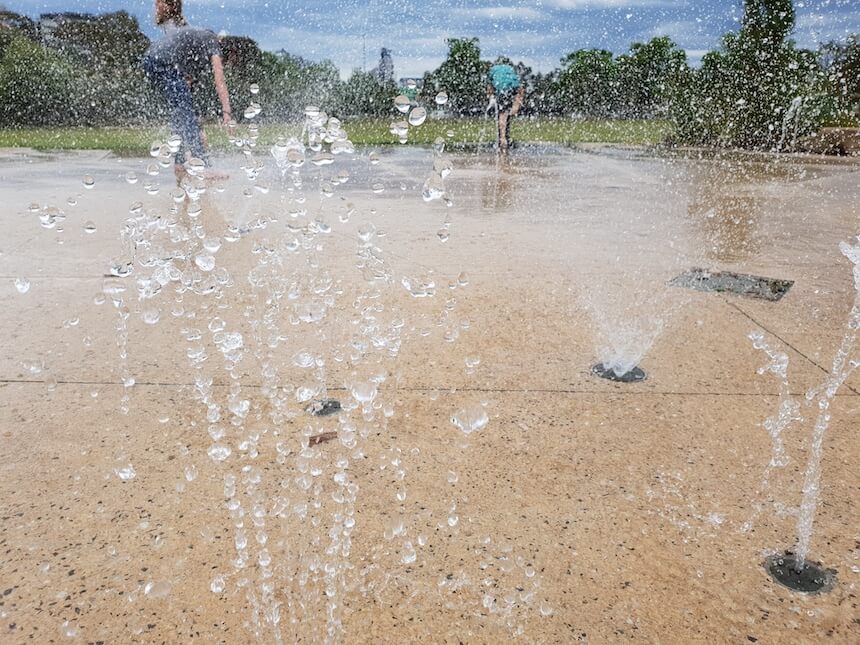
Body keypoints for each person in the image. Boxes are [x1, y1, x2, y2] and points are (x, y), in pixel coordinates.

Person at [143, 0, 232, 179]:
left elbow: (187, 83)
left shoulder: (195, 43)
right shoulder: (212, 42)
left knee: (180, 112)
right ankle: (203, 164)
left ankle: (179, 163)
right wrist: (227, 113)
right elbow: (219, 80)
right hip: (160, 61)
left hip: (151, 60)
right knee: (185, 111)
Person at [486, 59, 524, 155]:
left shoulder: (492, 70)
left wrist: (491, 98)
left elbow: (489, 88)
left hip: (502, 89)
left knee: (502, 114)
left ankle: (503, 139)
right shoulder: (510, 69)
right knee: (510, 110)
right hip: (515, 88)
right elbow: (519, 85)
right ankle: (515, 107)